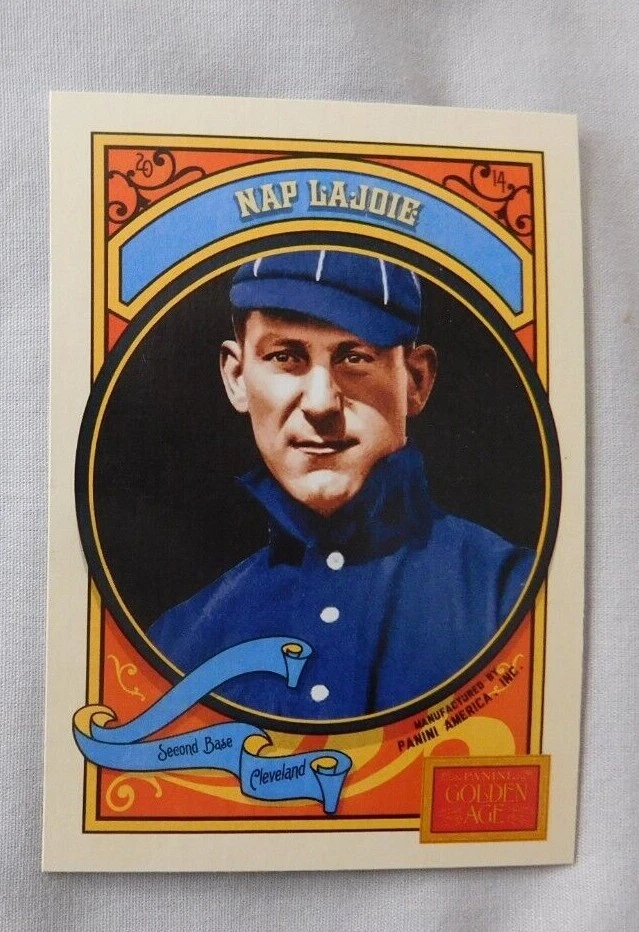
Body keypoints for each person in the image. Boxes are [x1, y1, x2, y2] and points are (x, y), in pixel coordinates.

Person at [148, 249, 535, 719]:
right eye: (285, 356)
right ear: (236, 377)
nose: (320, 403)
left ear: (415, 380)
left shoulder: (512, 596)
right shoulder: (176, 643)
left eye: (354, 357)